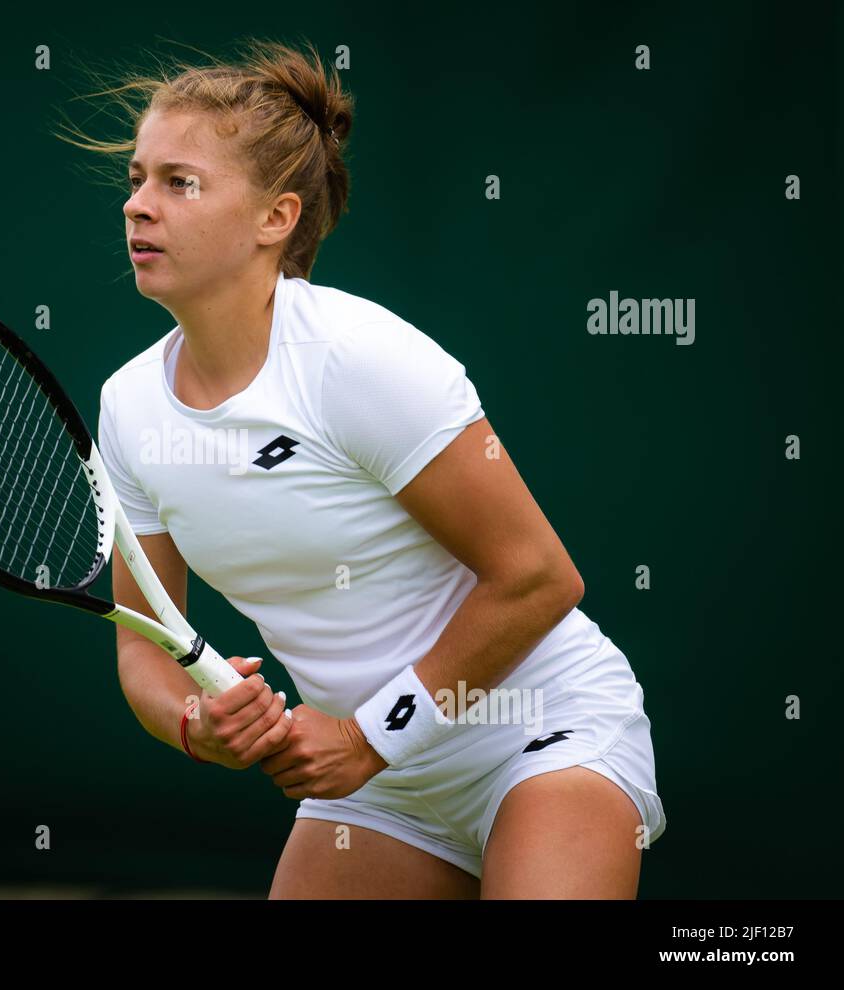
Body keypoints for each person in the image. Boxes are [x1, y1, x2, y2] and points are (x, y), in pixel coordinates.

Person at [61, 39, 665, 898]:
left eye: (178, 182)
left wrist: (366, 737)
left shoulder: (357, 359)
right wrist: (199, 726)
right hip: (379, 793)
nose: (138, 208)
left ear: (277, 218)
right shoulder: (128, 408)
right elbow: (144, 656)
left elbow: (538, 577)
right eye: (135, 179)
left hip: (541, 735)